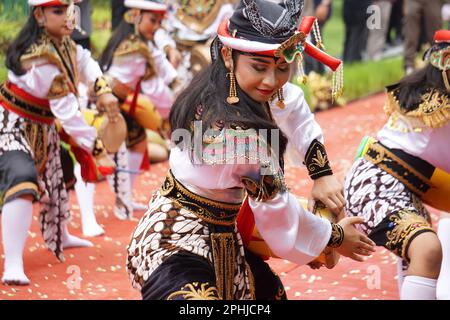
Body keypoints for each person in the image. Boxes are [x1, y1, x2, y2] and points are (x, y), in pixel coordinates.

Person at [126, 0, 375, 300]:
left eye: (283, 68)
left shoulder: (226, 84)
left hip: (227, 234)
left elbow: (293, 106)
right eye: (259, 67)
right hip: (173, 242)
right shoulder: (239, 136)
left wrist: (322, 174)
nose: (272, 81)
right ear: (229, 56)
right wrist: (334, 237)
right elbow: (279, 218)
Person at [0, 0, 119, 285]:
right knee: (22, 179)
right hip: (11, 127)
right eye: (58, 11)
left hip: (43, 126)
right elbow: (69, 114)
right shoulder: (39, 57)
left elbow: (86, 62)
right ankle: (13, 263)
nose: (68, 16)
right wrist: (97, 148)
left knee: (57, 179)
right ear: (39, 16)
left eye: (69, 9)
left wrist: (102, 89)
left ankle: (61, 235)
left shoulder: (64, 44)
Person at [344, 29, 450, 299]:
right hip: (378, 186)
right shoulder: (439, 106)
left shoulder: (432, 93)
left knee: (419, 257)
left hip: (402, 187)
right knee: (426, 249)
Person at [99, 0, 178, 219]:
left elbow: (164, 67)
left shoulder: (142, 42)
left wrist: (180, 86)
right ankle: (116, 204)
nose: (156, 26)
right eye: (153, 20)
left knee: (138, 142)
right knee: (102, 152)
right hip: (103, 103)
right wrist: (173, 113)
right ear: (134, 16)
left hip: (120, 102)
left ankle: (125, 198)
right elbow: (156, 91)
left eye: (159, 21)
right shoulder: (134, 47)